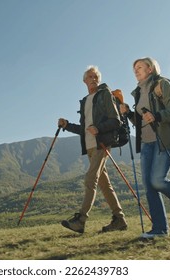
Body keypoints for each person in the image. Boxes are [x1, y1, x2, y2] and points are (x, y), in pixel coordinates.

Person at [120, 57, 170, 238]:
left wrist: (157, 115)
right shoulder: (138, 92)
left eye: (139, 67)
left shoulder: (161, 84)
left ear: (150, 69)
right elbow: (142, 121)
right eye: (134, 69)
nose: (136, 70)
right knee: (149, 186)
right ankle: (159, 229)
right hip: (147, 143)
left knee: (157, 180)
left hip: (165, 139)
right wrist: (129, 113)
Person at [58, 65, 128, 234]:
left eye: (96, 76)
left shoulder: (104, 95)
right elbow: (85, 128)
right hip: (89, 147)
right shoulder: (85, 101)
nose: (93, 79)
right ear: (84, 81)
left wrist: (99, 128)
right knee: (105, 184)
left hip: (102, 144)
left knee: (90, 179)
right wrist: (67, 126)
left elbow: (116, 120)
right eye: (90, 76)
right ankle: (119, 219)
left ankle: (81, 220)